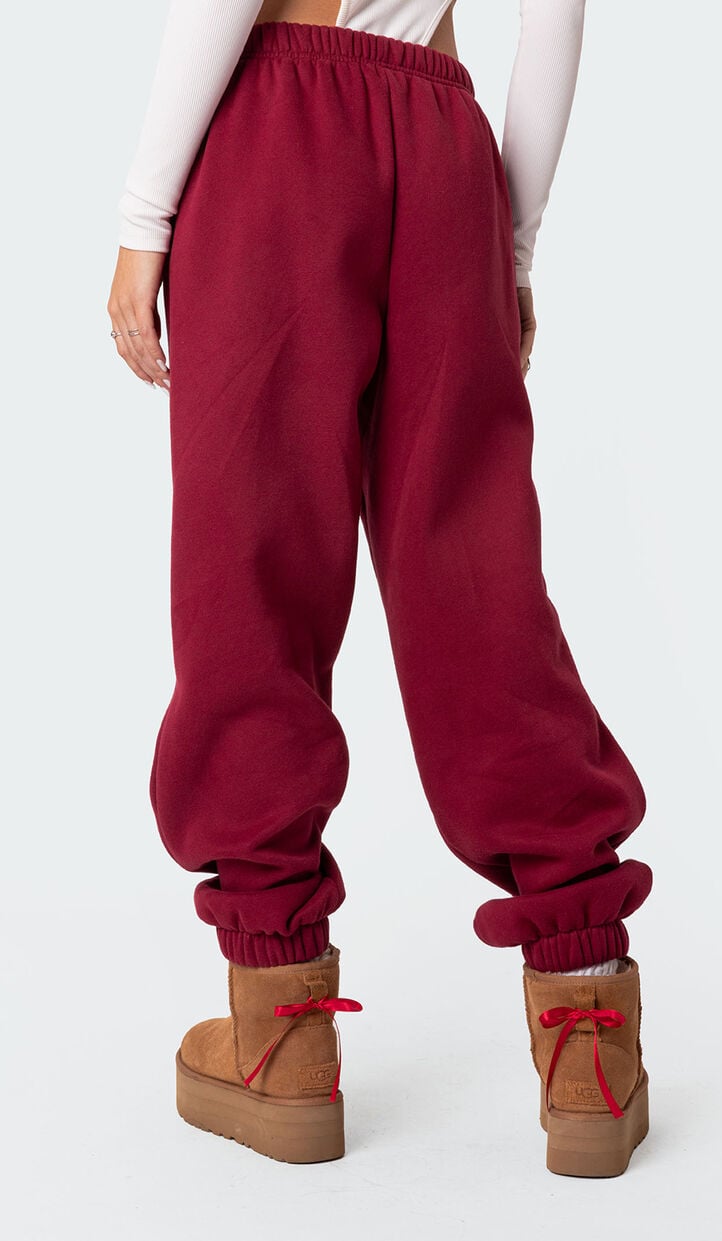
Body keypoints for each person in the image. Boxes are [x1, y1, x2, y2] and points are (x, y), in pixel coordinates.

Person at [106, 0, 653, 1177]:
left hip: (277, 130)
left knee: (251, 569)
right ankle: (586, 1023)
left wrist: (144, 215)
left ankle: (283, 1033)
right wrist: (507, 245)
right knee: (479, 577)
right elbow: (552, 17)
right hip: (445, 147)